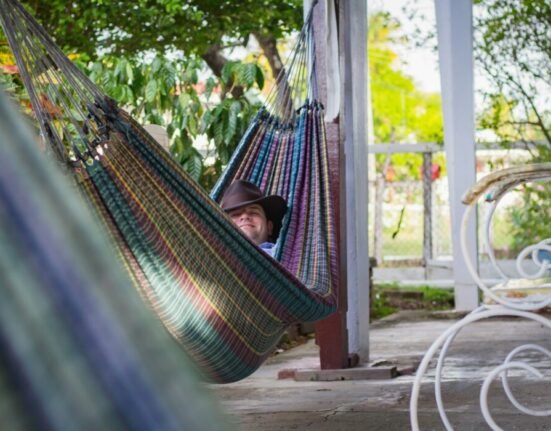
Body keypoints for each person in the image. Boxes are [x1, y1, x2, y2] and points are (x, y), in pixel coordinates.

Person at [221, 179, 287, 257]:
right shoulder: (210, 258)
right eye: (236, 214)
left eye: (253, 212)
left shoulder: (288, 257)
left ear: (269, 227)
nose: (245, 216)